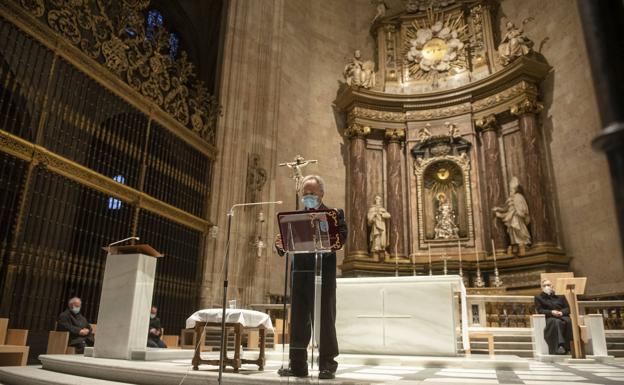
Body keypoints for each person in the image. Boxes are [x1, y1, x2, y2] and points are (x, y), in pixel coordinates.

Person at [275, 175, 347, 380]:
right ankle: (297, 365)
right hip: (299, 274)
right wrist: (279, 245)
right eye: (305, 193)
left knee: (325, 319)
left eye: (312, 193)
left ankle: (327, 364)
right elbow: (286, 244)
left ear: (321, 194)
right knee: (297, 321)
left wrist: (329, 237)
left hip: (322, 275)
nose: (308, 196)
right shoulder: (294, 218)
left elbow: (341, 238)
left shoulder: (334, 214)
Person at [534, 279, 572, 354]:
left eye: (548, 285)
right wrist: (551, 312)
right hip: (549, 317)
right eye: (544, 286)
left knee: (568, 322)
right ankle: (560, 345)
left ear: (552, 286)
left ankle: (569, 346)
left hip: (562, 316)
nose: (546, 287)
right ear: (542, 288)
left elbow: (568, 308)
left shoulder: (561, 297)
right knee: (556, 322)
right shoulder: (539, 298)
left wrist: (561, 312)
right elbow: (540, 310)